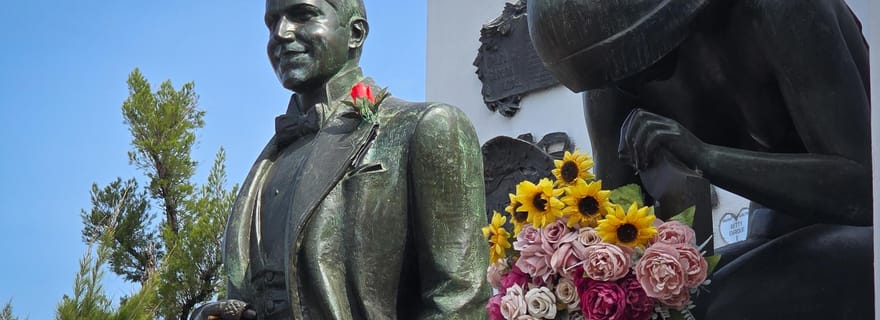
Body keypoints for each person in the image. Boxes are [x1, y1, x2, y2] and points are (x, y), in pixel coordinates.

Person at [527, 0, 872, 319]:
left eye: (626, 61)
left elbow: (862, 190)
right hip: (776, 227)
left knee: (710, 307)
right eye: (607, 76)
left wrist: (705, 156)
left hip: (863, 224)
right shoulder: (613, 80)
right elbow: (616, 237)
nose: (622, 85)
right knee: (680, 304)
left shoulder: (779, 10)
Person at [190, 0, 489, 318]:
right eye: (271, 22)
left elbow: (458, 300)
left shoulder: (425, 127)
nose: (281, 33)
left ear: (355, 34)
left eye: (302, 15)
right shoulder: (267, 165)